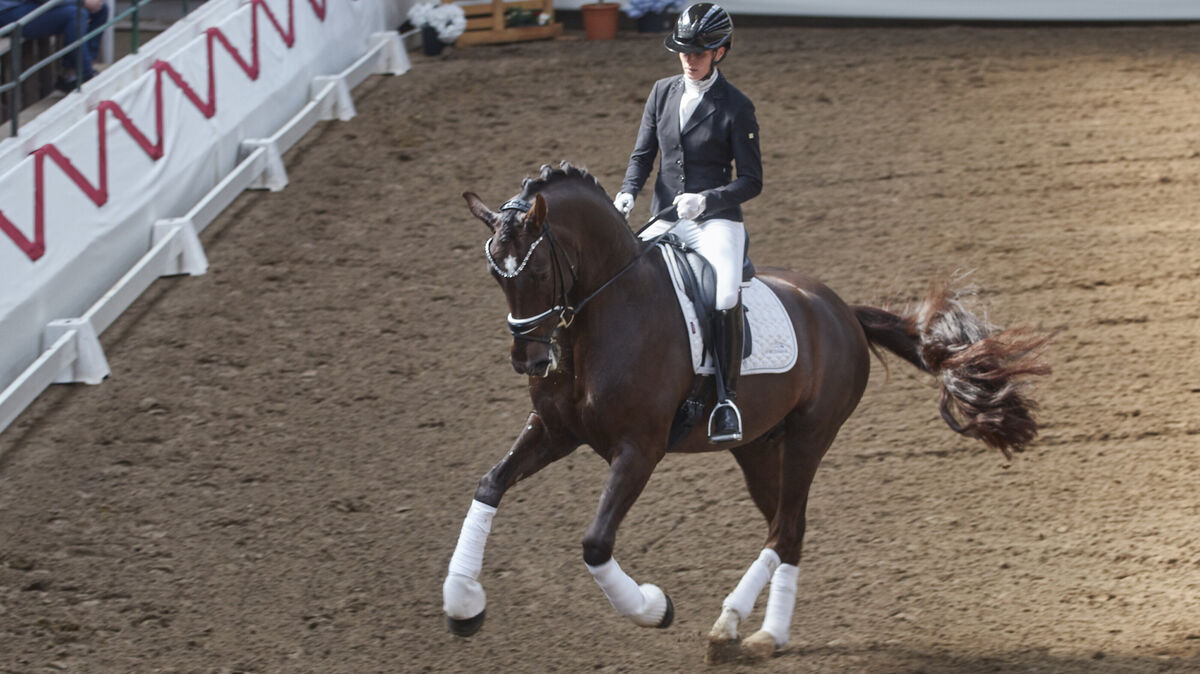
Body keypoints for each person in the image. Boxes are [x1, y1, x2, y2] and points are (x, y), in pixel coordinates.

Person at [614, 2, 762, 444]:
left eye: (699, 53)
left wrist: (707, 199)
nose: (689, 59)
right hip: (665, 215)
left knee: (724, 290)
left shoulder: (737, 106)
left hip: (715, 220)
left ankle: (726, 398)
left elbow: (752, 181)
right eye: (684, 51)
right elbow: (643, 156)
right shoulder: (662, 92)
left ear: (720, 52)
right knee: (623, 273)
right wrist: (626, 192)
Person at [0, 0, 110, 91]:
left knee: (100, 8)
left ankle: (73, 73)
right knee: (77, 14)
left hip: (29, 5)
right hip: (9, 12)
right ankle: (86, 75)